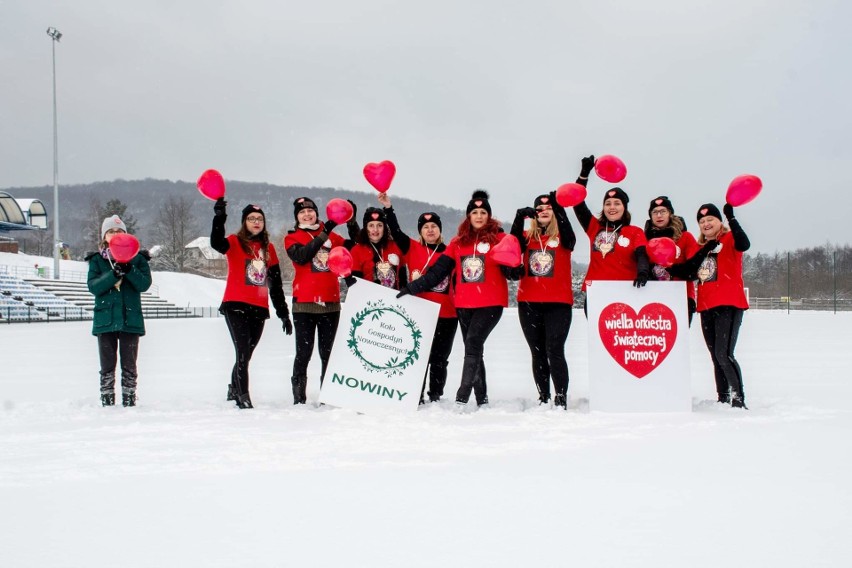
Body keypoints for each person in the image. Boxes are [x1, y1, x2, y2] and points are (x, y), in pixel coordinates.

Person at [398, 190, 521, 409]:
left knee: (473, 344)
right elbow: (437, 273)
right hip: (463, 305)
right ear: (469, 217)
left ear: (489, 216)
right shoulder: (457, 243)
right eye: (475, 212)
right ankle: (482, 399)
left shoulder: (499, 239)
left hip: (490, 303)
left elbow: (510, 271)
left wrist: (517, 270)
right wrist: (412, 287)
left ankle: (461, 398)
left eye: (484, 212)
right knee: (475, 349)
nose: (479, 216)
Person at [211, 198, 292, 409]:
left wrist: (283, 313)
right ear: (244, 222)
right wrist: (219, 218)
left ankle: (233, 387)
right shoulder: (234, 242)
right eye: (251, 218)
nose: (256, 222)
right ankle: (243, 396)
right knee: (243, 353)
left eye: (259, 219)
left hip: (259, 308)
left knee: (247, 353)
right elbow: (216, 243)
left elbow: (275, 286)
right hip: (235, 304)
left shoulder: (269, 250)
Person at [377, 192, 458, 404]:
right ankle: (416, 395)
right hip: (419, 313)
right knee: (419, 357)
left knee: (440, 358)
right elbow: (395, 230)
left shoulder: (451, 252)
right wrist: (388, 208)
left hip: (447, 313)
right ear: (420, 231)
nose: (430, 230)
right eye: (425, 227)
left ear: (440, 230)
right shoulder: (412, 247)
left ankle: (436, 395)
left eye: (434, 227)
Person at [670, 203, 750, 408]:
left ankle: (738, 398)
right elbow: (688, 271)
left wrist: (731, 218)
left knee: (724, 353)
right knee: (715, 355)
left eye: (710, 220)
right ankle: (723, 397)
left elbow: (744, 244)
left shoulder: (730, 239)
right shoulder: (700, 247)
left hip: (728, 303)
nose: (706, 224)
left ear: (719, 222)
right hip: (706, 306)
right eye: (702, 221)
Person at [284, 196, 358, 405]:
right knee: (303, 353)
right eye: (302, 212)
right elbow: (302, 256)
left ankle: (328, 394)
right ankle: (299, 398)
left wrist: (351, 221)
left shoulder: (334, 237)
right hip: (304, 304)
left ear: (316, 212)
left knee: (329, 353)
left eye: (310, 211)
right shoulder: (292, 238)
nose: (307, 214)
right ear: (297, 217)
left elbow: (355, 246)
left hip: (330, 303)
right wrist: (324, 233)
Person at [510, 190, 576, 409]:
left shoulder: (563, 238)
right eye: (539, 208)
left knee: (554, 349)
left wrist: (559, 206)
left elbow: (570, 236)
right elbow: (511, 247)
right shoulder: (528, 237)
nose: (544, 211)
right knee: (537, 351)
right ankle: (544, 396)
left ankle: (561, 397)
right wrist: (520, 219)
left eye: (549, 208)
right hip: (529, 301)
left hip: (558, 303)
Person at [86, 215, 152, 407]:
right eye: (110, 231)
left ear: (126, 234)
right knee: (107, 364)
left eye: (119, 231)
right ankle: (107, 399)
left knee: (129, 363)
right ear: (104, 236)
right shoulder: (97, 260)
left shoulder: (139, 259)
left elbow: (144, 284)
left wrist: (128, 268)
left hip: (130, 319)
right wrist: (113, 274)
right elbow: (94, 287)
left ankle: (129, 398)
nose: (115, 234)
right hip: (105, 320)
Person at [572, 155, 650, 313]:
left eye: (617, 203)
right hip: (597, 292)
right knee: (598, 337)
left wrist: (643, 272)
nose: (612, 207)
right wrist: (584, 174)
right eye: (607, 203)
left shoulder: (634, 232)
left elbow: (642, 255)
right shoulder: (594, 227)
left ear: (624, 207)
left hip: (627, 292)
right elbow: (577, 201)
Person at [644, 196, 701, 324]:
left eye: (663, 211)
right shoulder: (645, 239)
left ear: (670, 214)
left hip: (682, 296)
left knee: (677, 341)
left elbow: (694, 270)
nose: (659, 215)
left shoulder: (685, 237)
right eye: (655, 212)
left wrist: (672, 270)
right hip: (653, 297)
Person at [350, 205, 405, 290]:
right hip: (368, 299)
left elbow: (402, 278)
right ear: (365, 228)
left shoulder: (395, 247)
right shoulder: (356, 250)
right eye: (371, 225)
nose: (375, 230)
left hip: (394, 300)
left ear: (384, 228)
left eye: (379, 225)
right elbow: (356, 285)